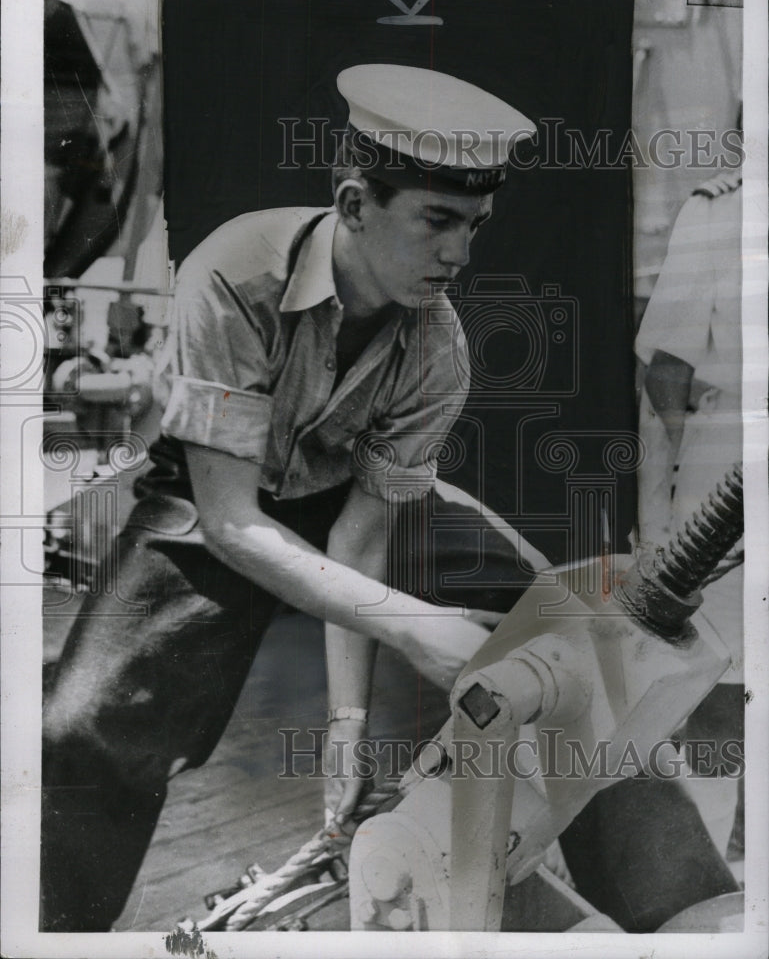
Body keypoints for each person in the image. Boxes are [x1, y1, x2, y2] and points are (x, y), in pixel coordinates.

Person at [40, 64, 542, 931]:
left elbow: (362, 534)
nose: (459, 255)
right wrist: (415, 626)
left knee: (562, 607)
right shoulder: (237, 271)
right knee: (80, 733)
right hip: (210, 504)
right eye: (437, 221)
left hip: (344, 504)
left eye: (475, 226)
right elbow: (233, 524)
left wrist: (346, 725)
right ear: (353, 204)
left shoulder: (439, 349)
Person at [635, 168, 744, 859]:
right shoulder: (720, 209)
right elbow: (666, 373)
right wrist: (672, 503)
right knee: (717, 687)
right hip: (729, 464)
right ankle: (708, 885)